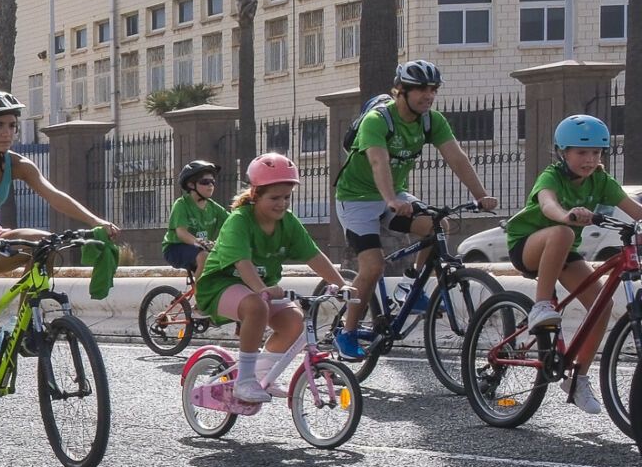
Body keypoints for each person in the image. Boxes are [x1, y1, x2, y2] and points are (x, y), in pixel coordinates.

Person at [0, 91, 119, 438]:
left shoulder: (18, 164)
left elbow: (55, 195)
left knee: (46, 242)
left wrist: (97, 222)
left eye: (12, 126)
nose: (7, 132)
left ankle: (26, 326)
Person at [330, 59, 498, 359]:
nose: (428, 95)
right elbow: (378, 161)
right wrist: (391, 200)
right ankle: (347, 331)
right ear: (401, 90)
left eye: (433, 89)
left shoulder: (432, 121)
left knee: (437, 227)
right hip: (356, 198)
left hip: (394, 194)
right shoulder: (378, 120)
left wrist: (481, 195)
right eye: (421, 89)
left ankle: (410, 285)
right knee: (373, 266)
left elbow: (456, 158)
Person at [504, 114, 642, 414]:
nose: (590, 159)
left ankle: (578, 378)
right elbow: (547, 204)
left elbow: (635, 210)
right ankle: (541, 305)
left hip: (564, 251)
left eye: (596, 152)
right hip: (527, 246)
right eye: (581, 152)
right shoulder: (551, 176)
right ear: (562, 153)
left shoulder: (600, 181)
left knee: (601, 305)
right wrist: (566, 216)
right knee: (563, 232)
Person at [195, 154, 347, 404]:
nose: (282, 204)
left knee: (294, 321)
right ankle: (244, 381)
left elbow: (314, 255)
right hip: (220, 286)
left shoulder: (288, 222)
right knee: (256, 306)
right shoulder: (239, 221)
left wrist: (342, 285)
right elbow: (242, 263)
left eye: (286, 197)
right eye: (274, 198)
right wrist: (261, 289)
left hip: (259, 288)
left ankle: (262, 373)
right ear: (255, 194)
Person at [163, 160, 228, 277]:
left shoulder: (214, 207)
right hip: (175, 248)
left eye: (212, 182)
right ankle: (201, 289)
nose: (210, 185)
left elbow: (232, 222)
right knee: (204, 257)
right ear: (191, 185)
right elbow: (181, 233)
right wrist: (199, 242)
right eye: (205, 182)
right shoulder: (181, 204)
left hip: (200, 248)